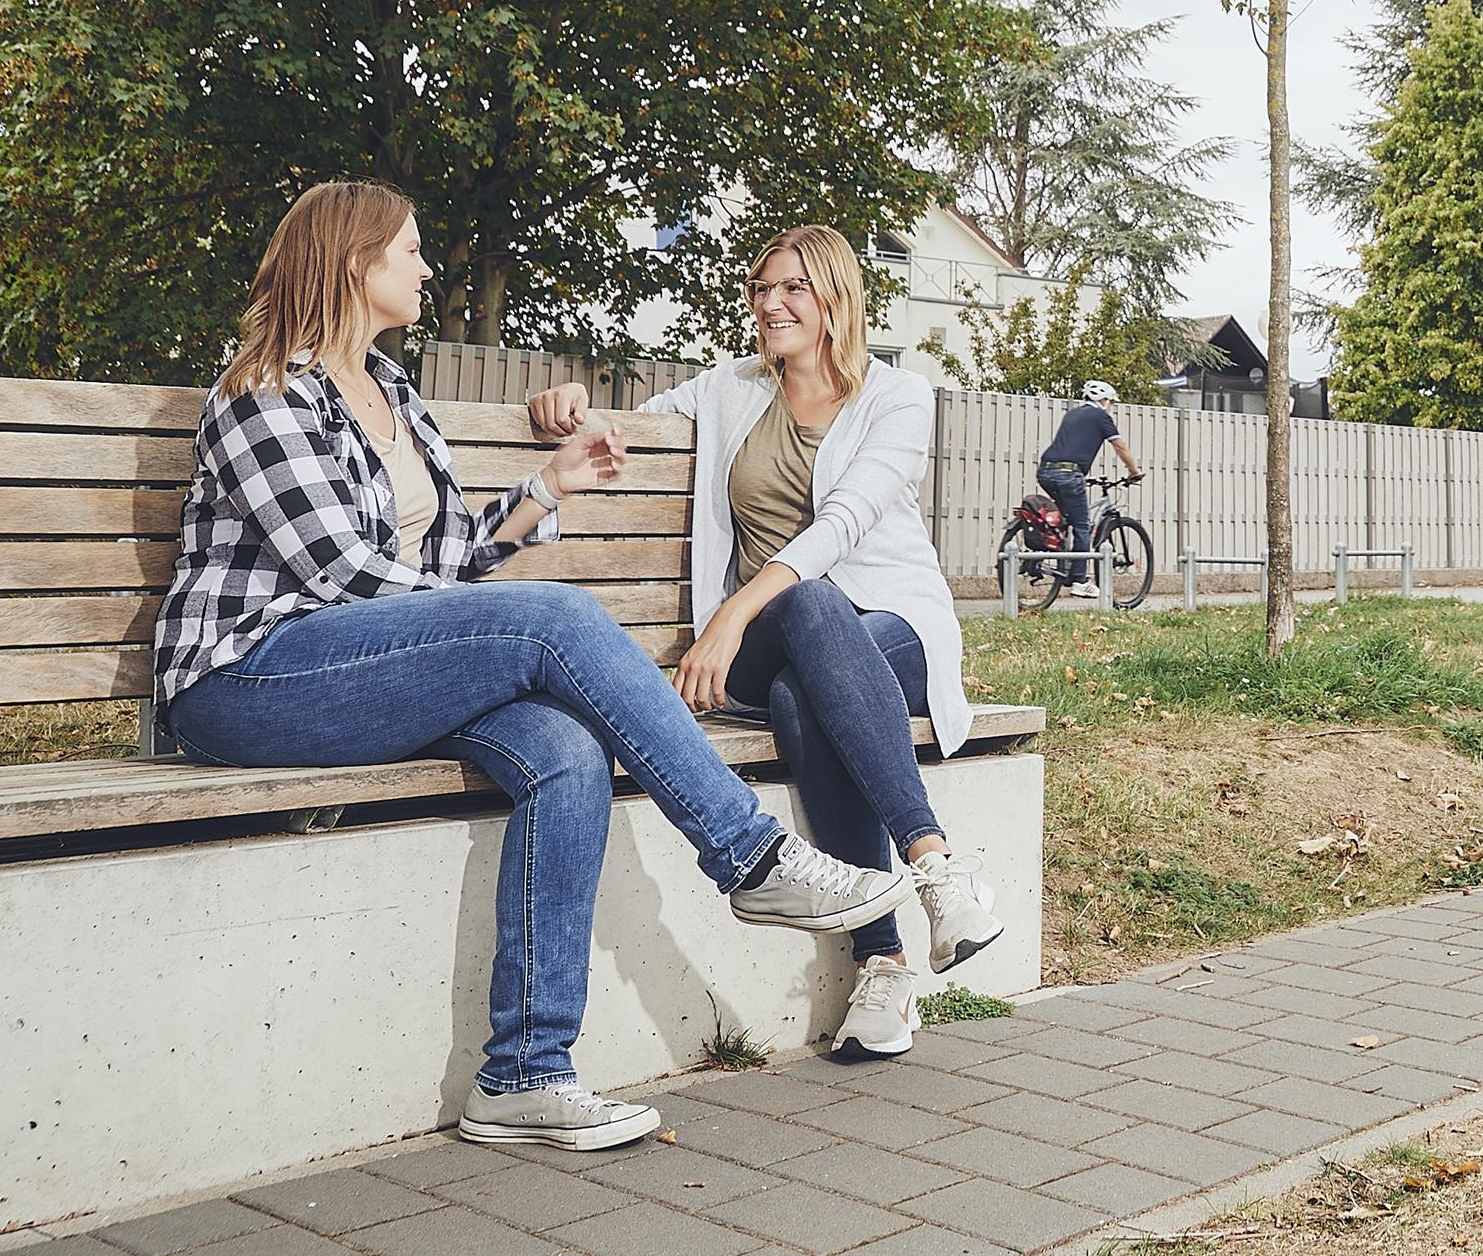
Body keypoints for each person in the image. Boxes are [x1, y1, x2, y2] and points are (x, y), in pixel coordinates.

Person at [161, 183, 911, 1157]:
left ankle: (524, 1074)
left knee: (564, 749)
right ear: (354, 264)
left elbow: (442, 559)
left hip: (367, 668)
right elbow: (346, 576)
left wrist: (545, 486)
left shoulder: (388, 388)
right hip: (251, 678)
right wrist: (501, 635)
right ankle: (751, 856)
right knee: (553, 619)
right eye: (410, 250)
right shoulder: (266, 392)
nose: (426, 267)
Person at [529, 225, 997, 1066]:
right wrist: (571, 405)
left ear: (835, 297)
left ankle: (884, 961)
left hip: (892, 627)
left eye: (792, 288)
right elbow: (629, 430)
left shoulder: (899, 395)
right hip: (767, 633)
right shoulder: (731, 387)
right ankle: (935, 866)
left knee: (799, 684)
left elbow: (843, 522)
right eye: (760, 288)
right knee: (807, 617)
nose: (771, 304)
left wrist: (731, 615)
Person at [1039, 379, 1143, 591]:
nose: (1111, 407)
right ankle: (1079, 581)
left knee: (1067, 520)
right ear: (1103, 400)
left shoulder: (1072, 414)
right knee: (1082, 525)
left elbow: (1070, 446)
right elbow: (1120, 446)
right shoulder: (1100, 416)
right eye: (1111, 402)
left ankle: (1062, 565)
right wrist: (1134, 471)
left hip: (1046, 471)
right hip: (1069, 474)